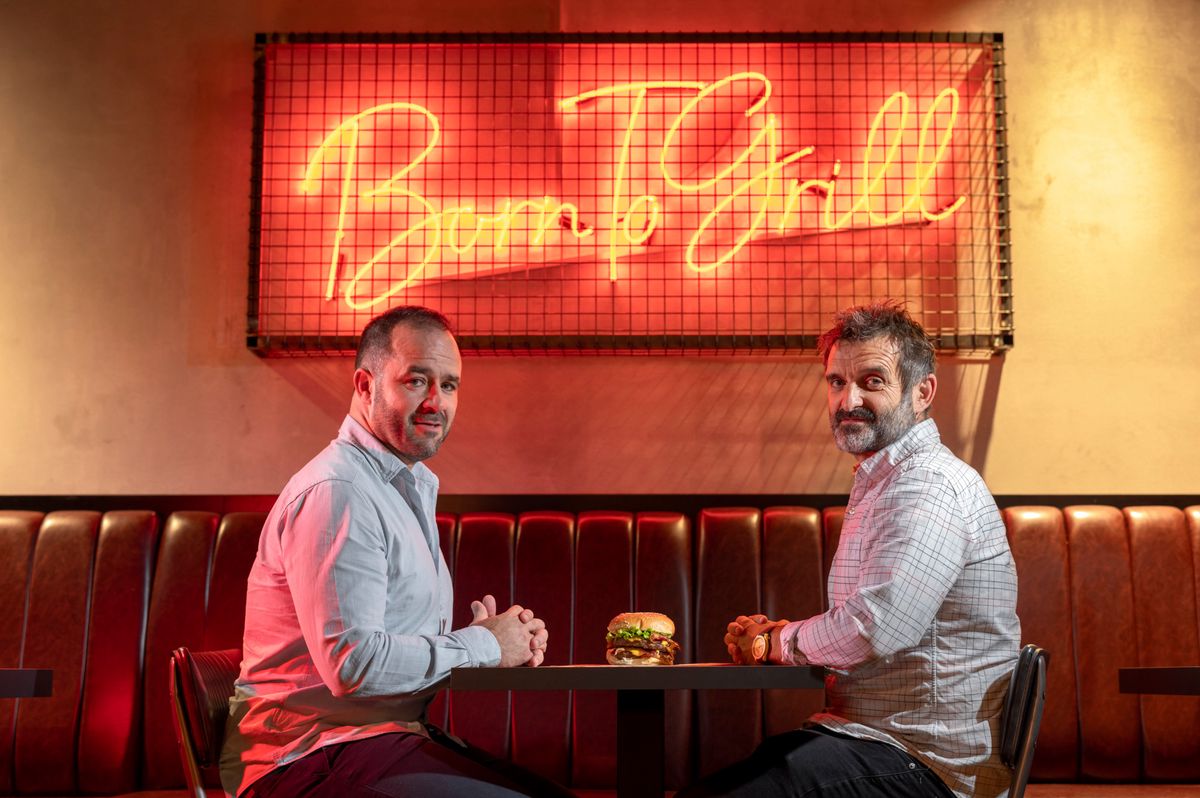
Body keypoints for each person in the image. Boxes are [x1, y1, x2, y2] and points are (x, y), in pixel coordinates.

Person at [221, 306, 572, 798]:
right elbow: (356, 665)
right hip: (304, 760)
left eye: (449, 386)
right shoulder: (339, 491)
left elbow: (383, 649)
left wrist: (489, 643)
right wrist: (485, 645)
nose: (436, 401)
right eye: (416, 381)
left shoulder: (400, 488)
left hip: (374, 743)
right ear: (365, 386)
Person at [683, 301, 1020, 798]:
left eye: (872, 381)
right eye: (837, 382)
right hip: (877, 743)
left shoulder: (926, 486)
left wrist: (772, 642)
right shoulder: (889, 481)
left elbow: (877, 627)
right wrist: (778, 639)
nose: (848, 400)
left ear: (922, 392)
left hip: (926, 767)